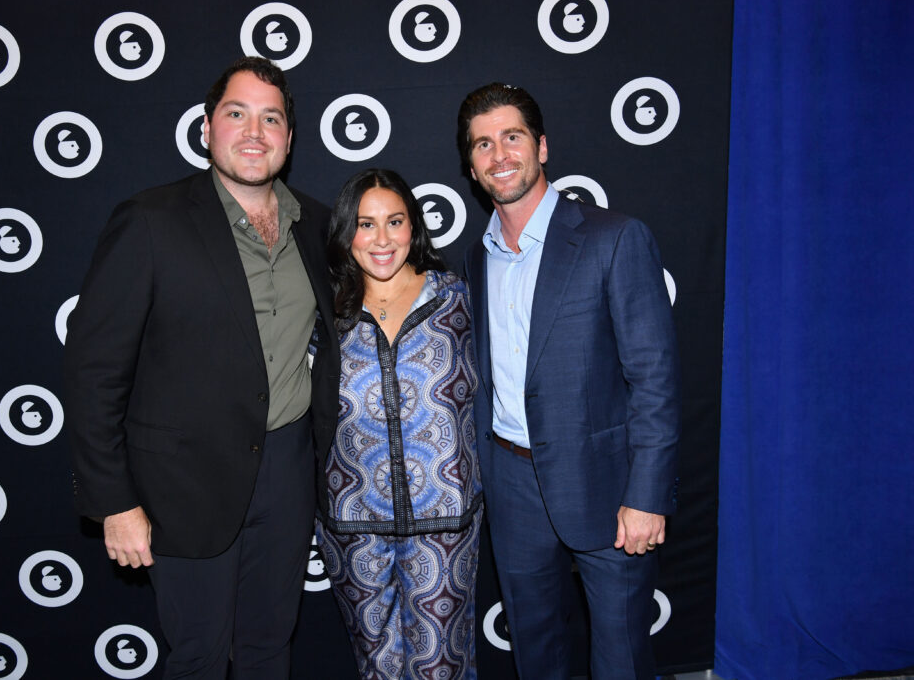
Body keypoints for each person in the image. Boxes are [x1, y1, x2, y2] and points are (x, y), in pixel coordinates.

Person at [63, 56, 339, 680]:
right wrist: (115, 502)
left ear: (289, 140)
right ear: (208, 127)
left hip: (289, 471)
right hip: (181, 486)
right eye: (236, 114)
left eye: (271, 119)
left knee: (271, 647)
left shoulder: (318, 226)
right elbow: (93, 371)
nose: (253, 132)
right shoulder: (151, 221)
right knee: (198, 658)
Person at [458, 83, 681, 680]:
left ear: (542, 146)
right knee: (535, 648)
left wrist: (647, 495)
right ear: (471, 165)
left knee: (621, 654)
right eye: (483, 144)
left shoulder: (614, 238)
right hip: (511, 482)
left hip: (608, 486)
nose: (499, 154)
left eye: (512, 137)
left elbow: (654, 379)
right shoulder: (477, 259)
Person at [315, 168, 482, 679]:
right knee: (377, 667)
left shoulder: (457, 299)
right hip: (352, 523)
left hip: (447, 523)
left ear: (415, 228)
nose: (382, 239)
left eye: (395, 221)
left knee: (442, 668)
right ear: (346, 234)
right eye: (365, 224)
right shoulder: (326, 312)